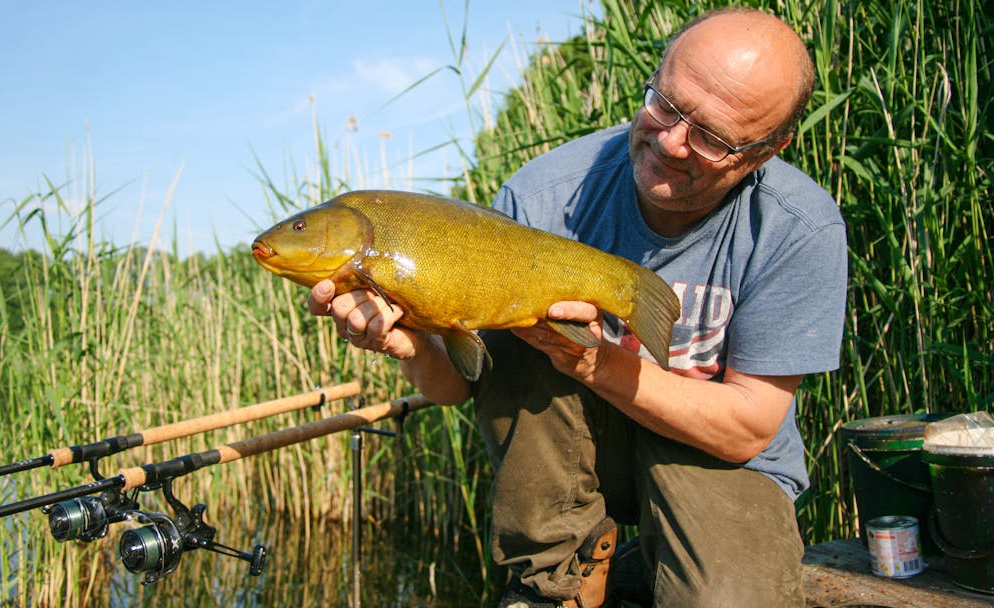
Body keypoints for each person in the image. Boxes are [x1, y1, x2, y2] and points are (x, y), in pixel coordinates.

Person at [308, 7, 847, 607]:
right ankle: (554, 585)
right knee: (515, 339)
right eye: (665, 105)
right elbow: (461, 387)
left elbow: (747, 428)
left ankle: (644, 569)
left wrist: (596, 362)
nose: (671, 142)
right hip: (575, 450)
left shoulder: (799, 226)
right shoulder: (544, 195)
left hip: (716, 458)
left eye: (713, 137)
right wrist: (407, 342)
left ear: (768, 149)